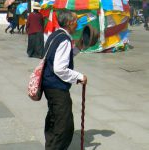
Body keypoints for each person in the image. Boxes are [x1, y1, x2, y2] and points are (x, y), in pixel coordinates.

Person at [42, 10, 87, 150]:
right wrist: (79, 76)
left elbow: (62, 57)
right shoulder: (64, 39)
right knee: (64, 126)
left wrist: (78, 48)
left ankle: (50, 146)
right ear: (69, 23)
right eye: (76, 22)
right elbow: (60, 68)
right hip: (57, 88)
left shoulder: (56, 35)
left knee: (53, 119)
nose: (77, 24)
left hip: (49, 84)